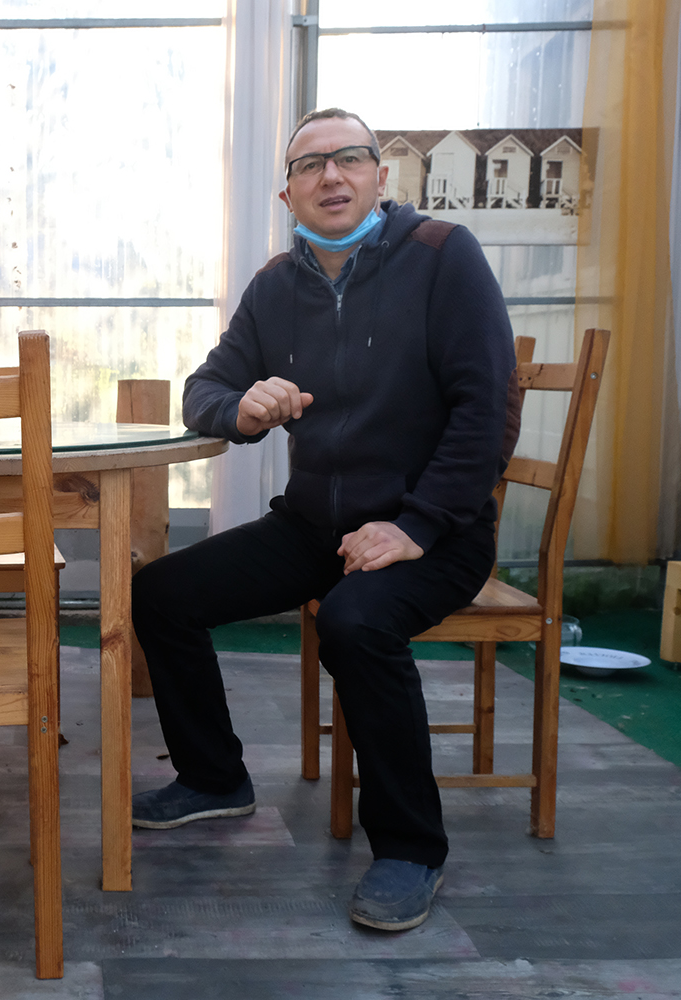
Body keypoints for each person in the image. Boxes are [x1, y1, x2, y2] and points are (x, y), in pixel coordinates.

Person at [131, 108, 517, 932]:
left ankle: (412, 850)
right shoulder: (276, 284)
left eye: (349, 159)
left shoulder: (444, 257)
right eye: (311, 166)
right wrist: (244, 405)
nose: (331, 177)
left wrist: (416, 525)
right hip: (316, 526)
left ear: (383, 176)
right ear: (288, 194)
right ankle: (214, 779)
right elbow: (202, 392)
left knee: (354, 623)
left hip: (435, 532)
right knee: (161, 593)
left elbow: (487, 410)